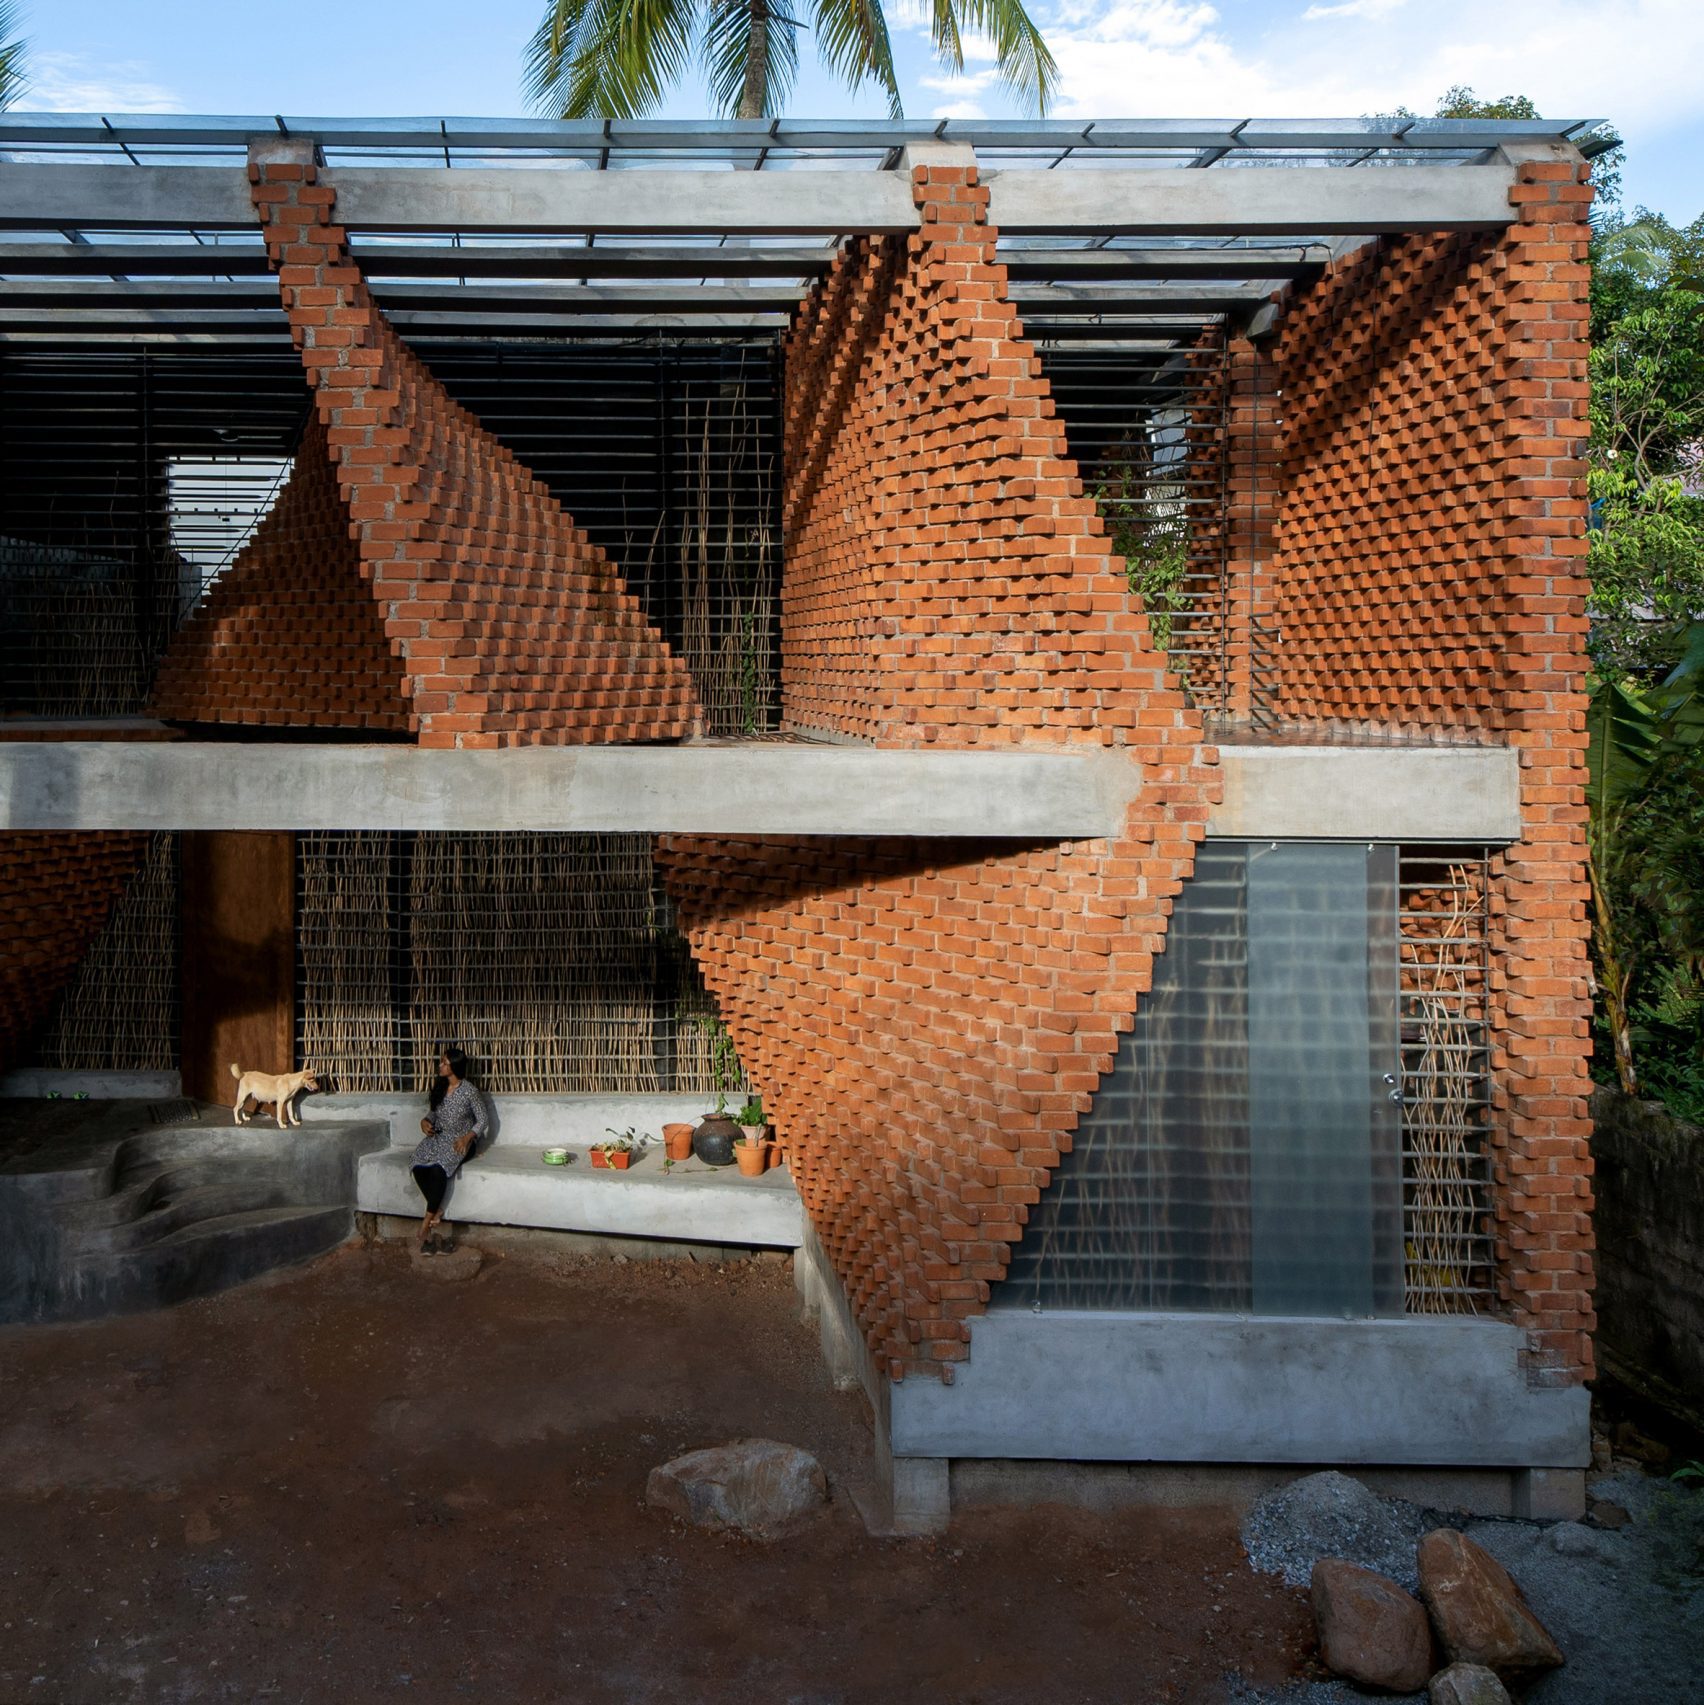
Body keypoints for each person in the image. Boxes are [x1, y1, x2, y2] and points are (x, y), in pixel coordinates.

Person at [411, 1044, 488, 1252]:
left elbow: (482, 1120)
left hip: (461, 1141)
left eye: (444, 1062)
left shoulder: (469, 1091)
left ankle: (426, 1223)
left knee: (438, 1169)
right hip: (439, 1137)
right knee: (417, 1164)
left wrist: (467, 1138)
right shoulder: (439, 1087)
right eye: (442, 1062)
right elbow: (433, 1114)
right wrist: (425, 1122)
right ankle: (437, 1212)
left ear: (454, 1066)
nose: (440, 1065)